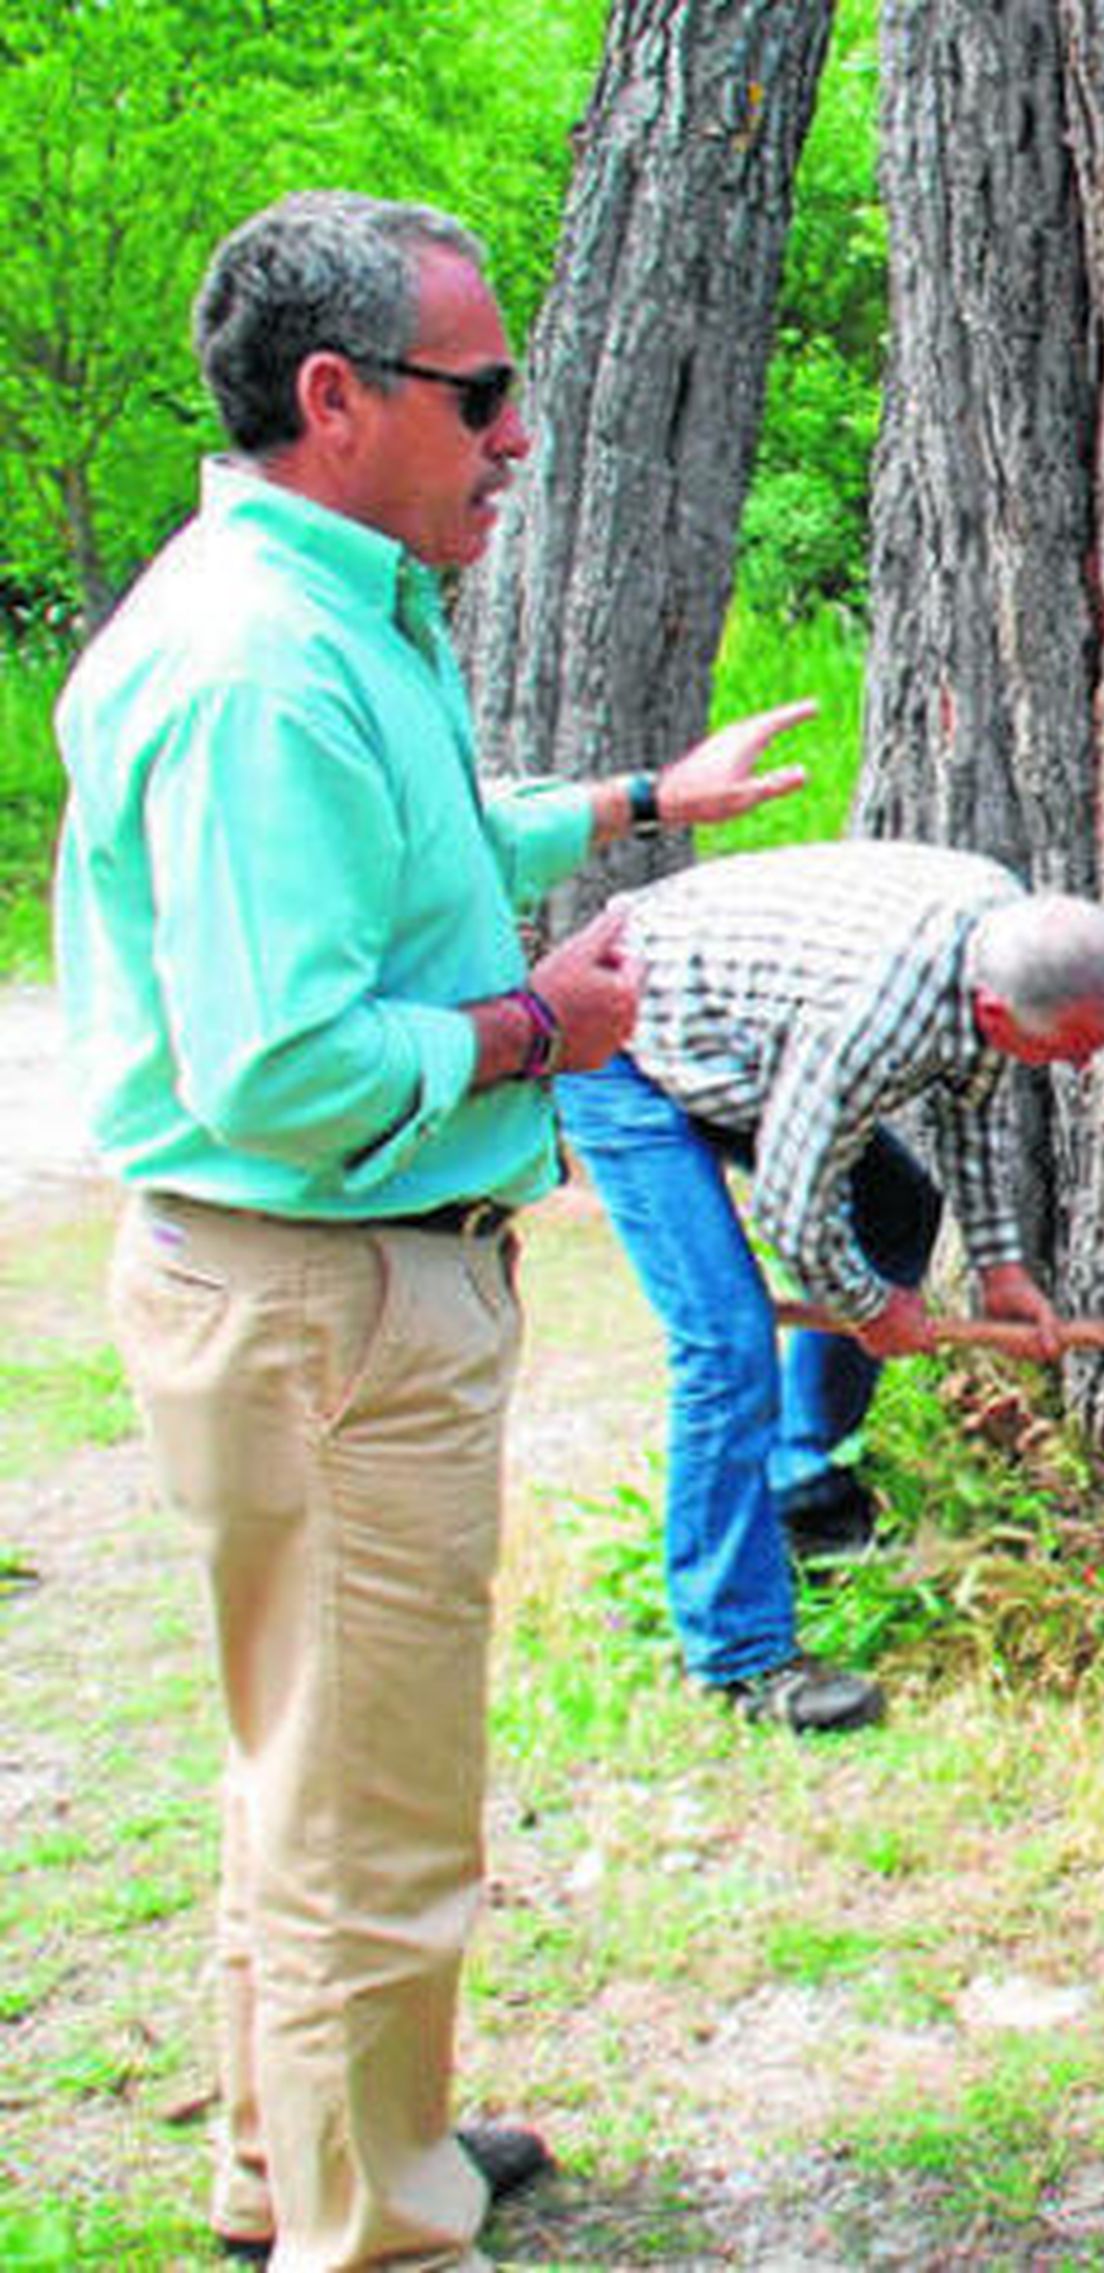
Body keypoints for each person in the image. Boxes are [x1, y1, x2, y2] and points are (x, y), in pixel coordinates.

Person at [52, 189, 810, 2272]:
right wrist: (529, 1027)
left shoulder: (327, 615)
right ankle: (376, 2229)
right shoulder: (253, 668)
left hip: (338, 1290)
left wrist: (639, 800)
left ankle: (303, 2152)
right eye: (479, 395)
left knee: (316, 1763)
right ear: (335, 397)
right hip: (322, 1298)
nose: (514, 439)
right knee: (367, 1805)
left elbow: (423, 840)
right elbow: (273, 1062)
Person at [556, 842, 1104, 1738]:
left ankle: (802, 1489)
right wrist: (870, 1308)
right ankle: (739, 1652)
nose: (1081, 1068)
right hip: (627, 1047)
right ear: (992, 1006)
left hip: (745, 1040)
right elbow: (793, 1208)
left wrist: (1001, 1267)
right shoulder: (873, 1019)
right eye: (1068, 1051)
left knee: (901, 1213)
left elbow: (970, 1100)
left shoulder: (998, 932)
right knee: (726, 1343)